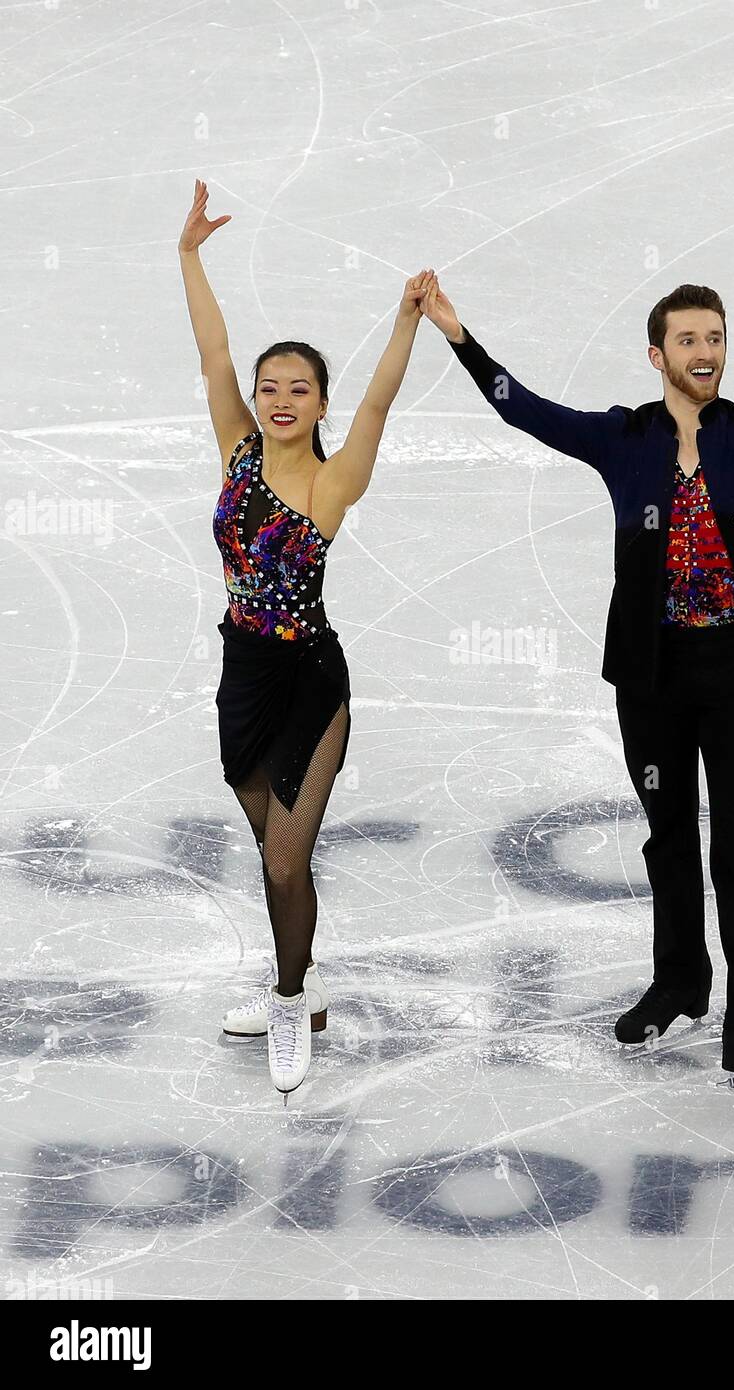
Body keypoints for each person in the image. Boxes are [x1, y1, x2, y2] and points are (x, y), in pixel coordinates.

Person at [419, 150, 734, 1106]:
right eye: (685, 338)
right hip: (652, 676)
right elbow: (523, 411)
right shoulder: (620, 440)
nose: (704, 349)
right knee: (667, 837)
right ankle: (678, 983)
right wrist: (458, 334)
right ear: (655, 355)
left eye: (715, 336)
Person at [178, 178, 433, 1103]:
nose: (281, 399)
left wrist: (405, 320)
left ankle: (289, 1000)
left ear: (319, 403)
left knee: (285, 859)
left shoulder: (331, 484)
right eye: (269, 386)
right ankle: (307, 984)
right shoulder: (238, 453)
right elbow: (211, 350)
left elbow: (379, 406)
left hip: (311, 681)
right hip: (241, 673)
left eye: (301, 389)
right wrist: (190, 256)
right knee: (274, 855)